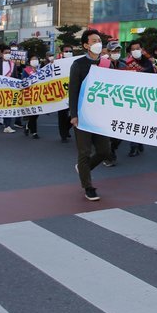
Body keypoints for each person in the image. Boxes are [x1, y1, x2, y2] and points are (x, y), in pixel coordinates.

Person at [67, 30, 113, 201]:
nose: (98, 43)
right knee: (84, 152)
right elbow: (73, 91)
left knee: (104, 151)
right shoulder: (78, 65)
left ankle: (83, 168)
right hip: (83, 114)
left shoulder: (107, 64)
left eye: (99, 40)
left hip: (101, 115)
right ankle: (88, 186)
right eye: (94, 41)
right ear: (86, 45)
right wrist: (74, 115)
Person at [123, 40, 155, 156]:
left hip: (145, 96)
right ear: (130, 51)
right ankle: (134, 146)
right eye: (133, 49)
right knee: (133, 120)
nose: (136, 51)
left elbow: (155, 76)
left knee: (142, 120)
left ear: (142, 49)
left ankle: (139, 142)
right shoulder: (127, 63)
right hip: (132, 96)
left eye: (138, 48)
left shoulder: (149, 62)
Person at [56, 45, 75, 143]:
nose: (68, 52)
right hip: (61, 93)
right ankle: (63, 134)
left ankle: (66, 128)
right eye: (66, 51)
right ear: (62, 53)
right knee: (62, 115)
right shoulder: (57, 63)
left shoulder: (76, 62)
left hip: (73, 92)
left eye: (70, 51)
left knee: (74, 113)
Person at [22, 55, 42, 139]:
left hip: (39, 93)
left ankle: (28, 125)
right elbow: (24, 80)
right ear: (30, 61)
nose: (35, 61)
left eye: (36, 59)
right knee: (33, 113)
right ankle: (34, 132)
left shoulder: (41, 70)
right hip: (30, 94)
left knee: (37, 113)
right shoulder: (26, 70)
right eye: (33, 59)